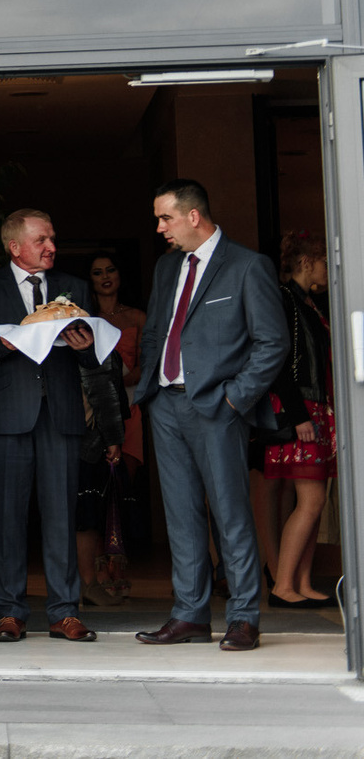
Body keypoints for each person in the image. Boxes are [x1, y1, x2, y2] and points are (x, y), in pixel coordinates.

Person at [134, 179, 288, 653]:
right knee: (181, 516)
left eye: (165, 218)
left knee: (230, 513)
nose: (160, 228)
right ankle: (190, 615)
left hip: (218, 406)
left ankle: (243, 617)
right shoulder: (167, 266)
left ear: (193, 216)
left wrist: (235, 399)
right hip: (165, 404)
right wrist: (150, 388)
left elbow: (272, 342)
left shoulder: (247, 265)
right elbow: (156, 331)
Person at [0, 209, 99, 644]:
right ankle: (10, 612)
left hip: (61, 413)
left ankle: (64, 612)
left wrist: (86, 347)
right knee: (6, 517)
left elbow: (94, 357)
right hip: (8, 415)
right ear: (15, 246)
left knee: (62, 515)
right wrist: (6, 341)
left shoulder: (75, 287)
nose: (51, 247)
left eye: (52, 238)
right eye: (42, 240)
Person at [265, 233, 335, 609]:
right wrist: (298, 414)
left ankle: (302, 582)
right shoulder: (285, 298)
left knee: (314, 502)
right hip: (301, 408)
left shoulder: (309, 302)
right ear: (307, 261)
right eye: (323, 262)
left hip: (314, 407)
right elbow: (276, 359)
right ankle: (283, 586)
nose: (327, 270)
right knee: (311, 499)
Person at [74, 337, 129, 605]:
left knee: (89, 512)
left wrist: (112, 437)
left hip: (90, 437)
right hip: (57, 435)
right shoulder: (43, 338)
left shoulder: (100, 342)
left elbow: (111, 395)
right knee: (73, 513)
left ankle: (87, 583)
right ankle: (77, 584)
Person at [89, 253, 147, 462]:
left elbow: (146, 364)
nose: (105, 276)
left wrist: (122, 384)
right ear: (90, 279)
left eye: (110, 270)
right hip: (93, 406)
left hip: (130, 402)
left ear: (119, 274)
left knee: (127, 469)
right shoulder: (85, 319)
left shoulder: (137, 316)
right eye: (97, 272)